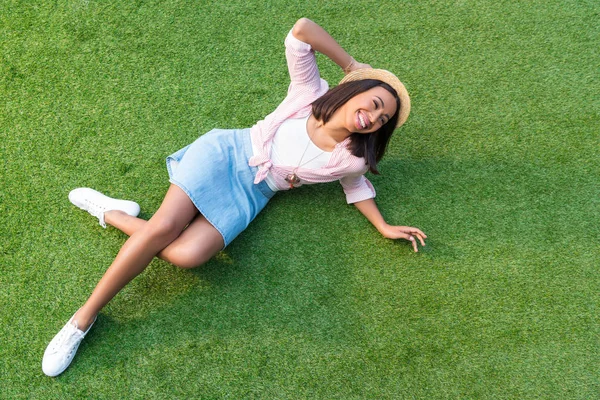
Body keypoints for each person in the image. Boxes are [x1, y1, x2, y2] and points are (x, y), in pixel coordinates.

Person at [42, 18, 427, 377]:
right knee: (163, 228)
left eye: (382, 120)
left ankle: (113, 212)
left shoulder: (353, 158)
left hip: (255, 192)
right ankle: (84, 318)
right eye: (374, 104)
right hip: (226, 153)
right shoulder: (310, 92)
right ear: (357, 90)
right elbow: (302, 30)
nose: (373, 117)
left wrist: (383, 225)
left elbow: (355, 187)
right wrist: (352, 65)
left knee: (188, 255)